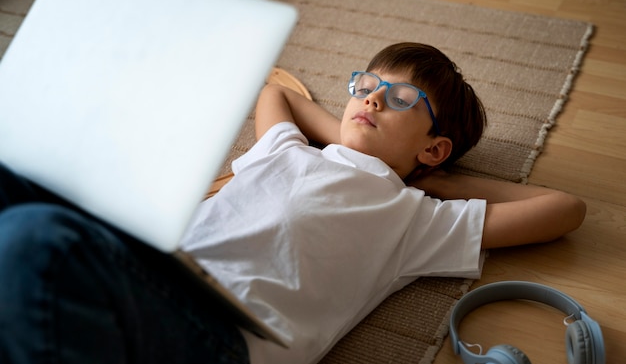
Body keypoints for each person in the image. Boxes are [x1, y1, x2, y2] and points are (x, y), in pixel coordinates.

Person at [0, 42, 585, 364]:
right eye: (365, 85)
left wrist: (439, 181)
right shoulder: (288, 151)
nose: (373, 98)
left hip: (220, 341)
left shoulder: (414, 217)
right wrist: (348, 137)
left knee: (36, 239)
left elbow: (563, 209)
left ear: (435, 147)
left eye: (400, 97)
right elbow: (276, 92)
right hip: (150, 277)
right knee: (14, 179)